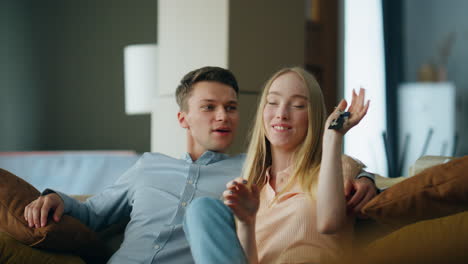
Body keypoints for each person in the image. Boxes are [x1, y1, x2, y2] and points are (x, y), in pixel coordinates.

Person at [24, 66, 376, 263]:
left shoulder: (246, 174)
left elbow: (323, 176)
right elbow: (92, 213)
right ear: (183, 118)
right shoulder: (149, 167)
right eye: (209, 107)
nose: (223, 116)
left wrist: (365, 180)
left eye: (232, 107)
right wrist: (57, 199)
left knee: (203, 210)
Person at [183, 67, 372, 264]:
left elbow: (329, 223)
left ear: (313, 117)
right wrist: (247, 222)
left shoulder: (336, 166)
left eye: (298, 105)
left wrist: (332, 136)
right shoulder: (252, 190)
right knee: (201, 208)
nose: (281, 114)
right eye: (272, 102)